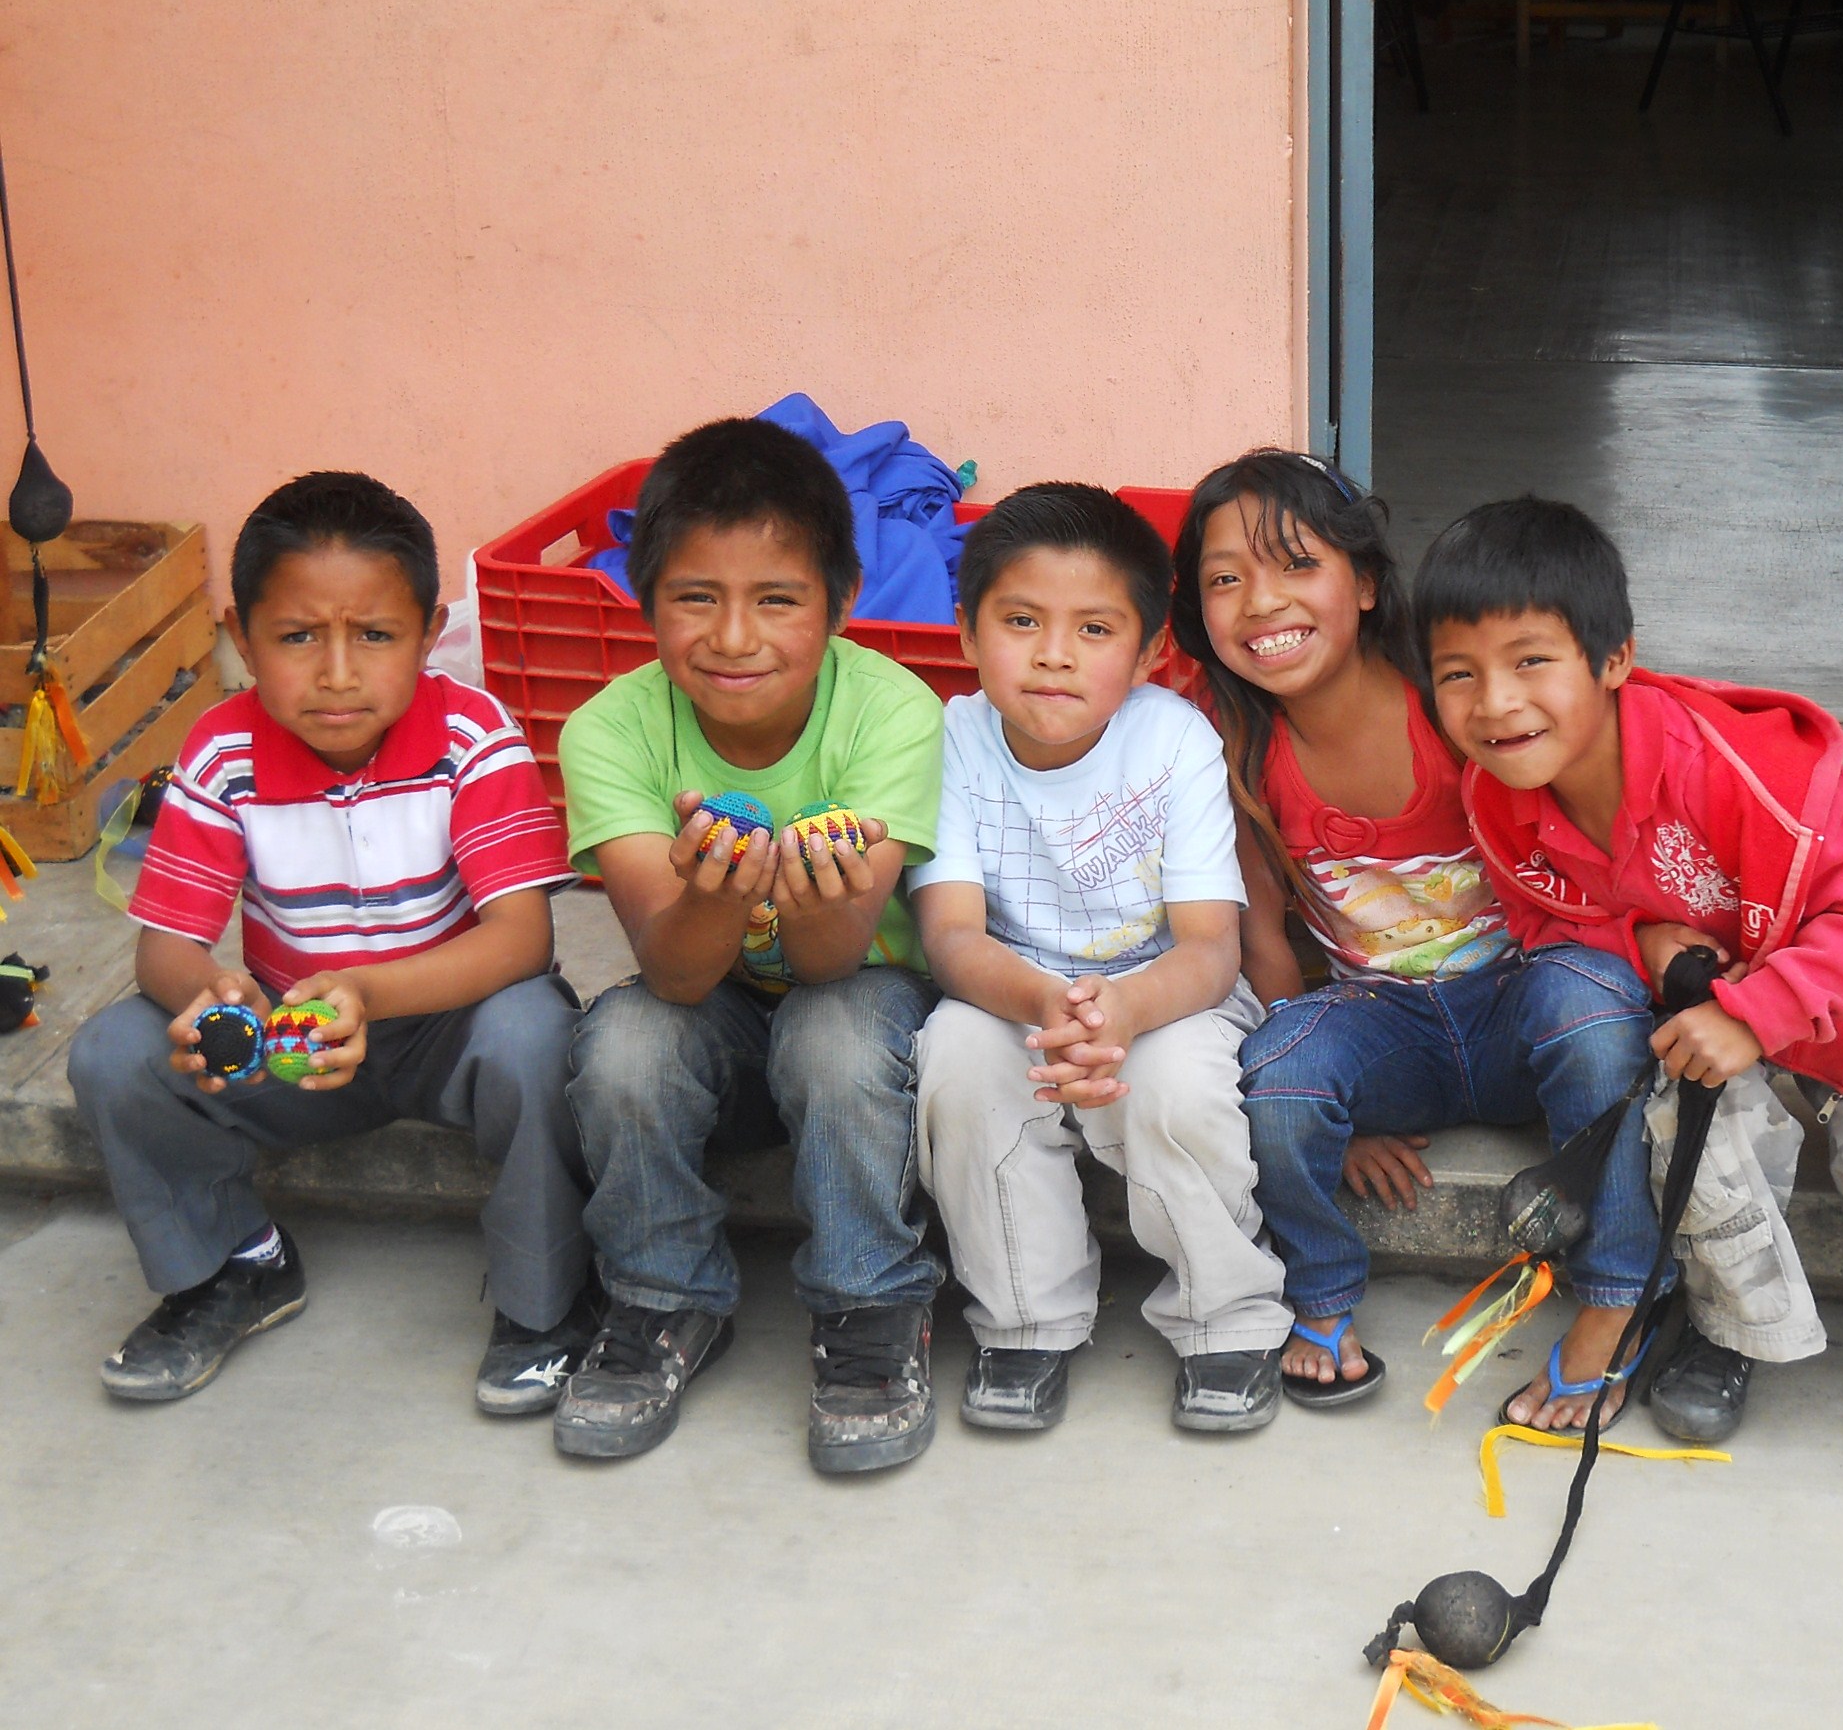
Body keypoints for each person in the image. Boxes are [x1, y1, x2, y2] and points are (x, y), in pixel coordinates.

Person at [1415, 497, 1843, 1499]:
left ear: (1614, 659)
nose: (1495, 704)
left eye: (1531, 660)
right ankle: (1732, 1331)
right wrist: (1640, 940)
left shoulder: (1737, 767)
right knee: (1680, 1120)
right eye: (1460, 674)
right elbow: (1546, 921)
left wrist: (1762, 1013)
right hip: (1710, 1007)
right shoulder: (1498, 801)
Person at [67, 473, 587, 1412]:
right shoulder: (221, 753)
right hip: (289, 1038)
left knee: (536, 1034)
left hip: (447, 1031)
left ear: (430, 634)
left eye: (375, 635)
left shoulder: (474, 737)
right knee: (115, 1052)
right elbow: (166, 946)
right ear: (241, 633)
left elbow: (521, 938)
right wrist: (213, 995)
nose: (337, 671)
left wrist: (368, 992)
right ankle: (236, 1264)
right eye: (298, 636)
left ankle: (543, 1303)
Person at [1177, 452, 1660, 1422]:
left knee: (1594, 1006)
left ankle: (1617, 1295)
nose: (1260, 602)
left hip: (1521, 997)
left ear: (1361, 582)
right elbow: (1265, 932)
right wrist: (1341, 1113)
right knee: (1277, 1069)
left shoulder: (1448, 700)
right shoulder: (1236, 739)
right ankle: (1320, 1295)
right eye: (1226, 578)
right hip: (1381, 1018)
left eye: (1293, 565)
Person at [553, 419, 944, 1472]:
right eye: (695, 598)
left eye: (777, 600)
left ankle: (872, 1305)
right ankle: (660, 1295)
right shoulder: (607, 730)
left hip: (859, 996)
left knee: (836, 1025)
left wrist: (804, 892)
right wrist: (718, 890)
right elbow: (674, 972)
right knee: (625, 1038)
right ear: (643, 602)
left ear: (841, 605)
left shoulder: (895, 712)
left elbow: (830, 962)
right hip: (707, 1007)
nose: (734, 638)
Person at [911, 483, 1291, 1435]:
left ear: (1151, 651)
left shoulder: (1174, 739)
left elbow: (1211, 949)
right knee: (956, 1057)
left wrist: (1121, 1012)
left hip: (1171, 996)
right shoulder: (952, 739)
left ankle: (1227, 1316)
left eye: (1093, 629)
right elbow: (953, 936)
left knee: (1178, 1085)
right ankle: (1025, 1317)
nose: (1052, 654)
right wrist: (1049, 1001)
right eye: (1022, 620)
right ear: (965, 632)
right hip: (1016, 990)